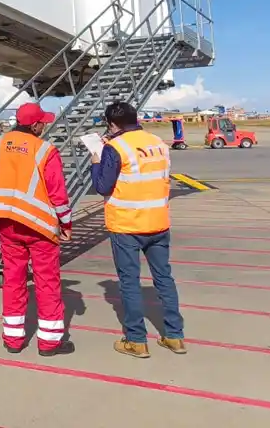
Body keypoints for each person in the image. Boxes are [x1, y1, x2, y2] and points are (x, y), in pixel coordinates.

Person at [90, 101, 186, 358]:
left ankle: (136, 340)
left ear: (112, 124)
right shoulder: (158, 143)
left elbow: (101, 185)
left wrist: (96, 158)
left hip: (127, 225)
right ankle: (175, 336)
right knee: (164, 278)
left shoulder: (115, 148)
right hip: (157, 221)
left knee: (130, 282)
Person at [0, 102, 75, 357]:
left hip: (7, 222)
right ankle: (49, 343)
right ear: (34, 125)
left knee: (13, 280)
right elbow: (58, 194)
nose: (44, 126)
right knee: (47, 282)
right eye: (42, 122)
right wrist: (66, 224)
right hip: (39, 227)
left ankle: (12, 340)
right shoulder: (45, 150)